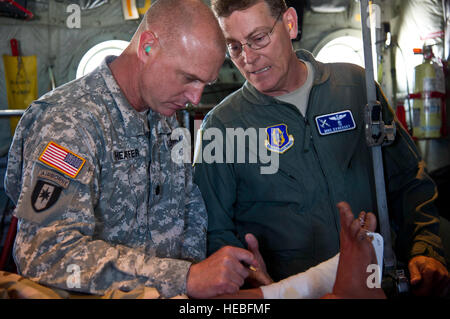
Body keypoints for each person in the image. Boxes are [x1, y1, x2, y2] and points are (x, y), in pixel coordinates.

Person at [4, 0, 261, 299]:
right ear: (148, 47)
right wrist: (184, 278)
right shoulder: (69, 122)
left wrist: (202, 280)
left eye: (205, 82)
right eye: (189, 77)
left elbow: (188, 210)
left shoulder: (164, 116)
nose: (194, 96)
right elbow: (45, 253)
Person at [194, 0, 450, 296]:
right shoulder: (224, 125)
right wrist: (247, 275)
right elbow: (213, 229)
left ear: (289, 23)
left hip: (376, 286)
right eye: (235, 47)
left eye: (258, 38)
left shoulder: (356, 88)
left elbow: (408, 181)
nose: (248, 58)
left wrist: (426, 249)